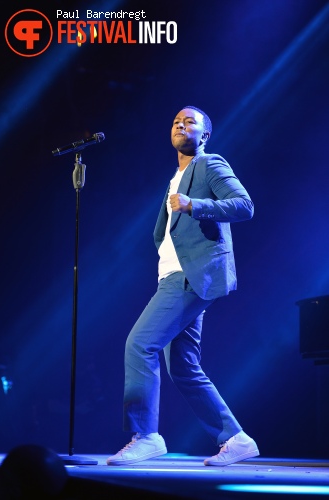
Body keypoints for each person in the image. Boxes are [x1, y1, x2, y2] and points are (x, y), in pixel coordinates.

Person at [107, 105, 259, 466]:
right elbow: (166, 233)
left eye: (190, 122)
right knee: (184, 368)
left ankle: (145, 434)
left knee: (140, 344)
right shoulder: (174, 178)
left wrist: (195, 204)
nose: (181, 124)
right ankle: (236, 438)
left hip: (191, 276)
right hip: (177, 274)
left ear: (204, 135)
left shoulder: (209, 164)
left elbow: (244, 205)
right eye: (176, 120)